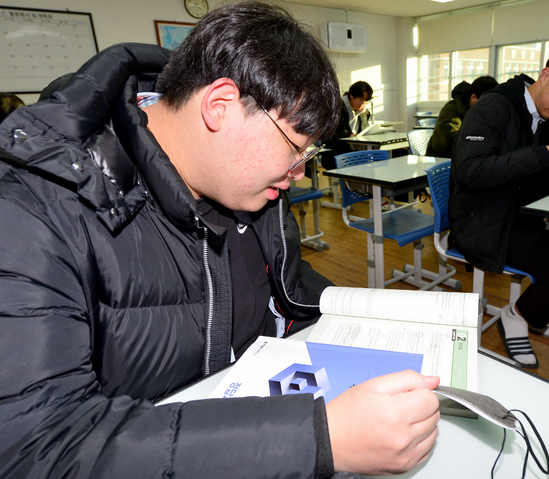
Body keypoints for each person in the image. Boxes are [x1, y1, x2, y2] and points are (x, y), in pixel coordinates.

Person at [0, 2, 440, 478]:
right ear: (220, 107)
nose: (298, 174)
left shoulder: (245, 181)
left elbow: (282, 279)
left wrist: (360, 311)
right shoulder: (32, 210)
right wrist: (317, 438)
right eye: (295, 150)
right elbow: (40, 447)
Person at [450, 43, 549, 368]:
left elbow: (538, 181)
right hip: (484, 222)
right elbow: (470, 173)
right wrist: (545, 155)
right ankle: (517, 316)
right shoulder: (493, 107)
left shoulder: (544, 120)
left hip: (519, 215)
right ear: (545, 74)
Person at [426, 76, 498, 158]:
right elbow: (446, 141)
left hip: (465, 159)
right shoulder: (453, 108)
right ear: (473, 98)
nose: (488, 107)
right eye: (485, 103)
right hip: (443, 161)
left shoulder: (478, 111)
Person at [321, 80, 374, 170]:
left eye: (365, 101)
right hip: (336, 153)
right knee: (366, 163)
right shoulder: (336, 109)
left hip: (354, 151)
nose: (363, 103)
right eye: (361, 99)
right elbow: (327, 135)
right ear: (352, 95)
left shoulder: (363, 111)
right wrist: (348, 135)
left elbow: (362, 132)